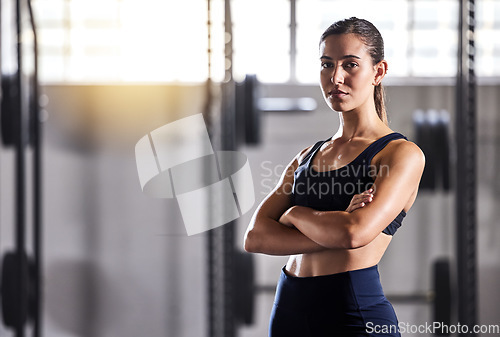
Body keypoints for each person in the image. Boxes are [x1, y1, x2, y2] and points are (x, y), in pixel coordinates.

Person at [243, 17, 425, 337]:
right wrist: (333, 224)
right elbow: (256, 237)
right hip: (288, 309)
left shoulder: (400, 154)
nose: (335, 77)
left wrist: (294, 214)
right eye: (327, 64)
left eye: (350, 65)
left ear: (378, 72)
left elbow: (354, 234)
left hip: (352, 312)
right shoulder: (307, 155)